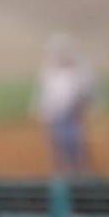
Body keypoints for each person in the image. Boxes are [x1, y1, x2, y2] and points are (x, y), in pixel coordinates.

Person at [32, 33, 97, 176]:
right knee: (57, 148)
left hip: (72, 116)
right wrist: (42, 111)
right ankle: (65, 176)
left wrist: (82, 106)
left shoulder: (79, 71)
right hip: (55, 116)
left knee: (75, 146)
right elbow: (45, 95)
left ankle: (82, 175)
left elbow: (86, 93)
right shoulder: (49, 72)